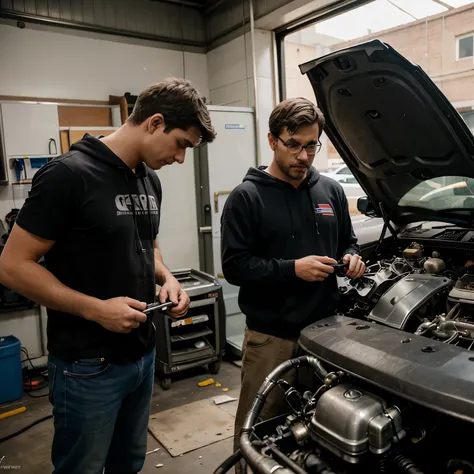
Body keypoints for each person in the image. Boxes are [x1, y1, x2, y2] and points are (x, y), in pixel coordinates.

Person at [0, 78, 216, 474]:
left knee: (128, 464)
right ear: (154, 123)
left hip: (141, 356)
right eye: (182, 144)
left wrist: (166, 278)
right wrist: (96, 309)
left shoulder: (149, 179)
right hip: (87, 365)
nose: (182, 159)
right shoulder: (67, 175)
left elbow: (147, 246)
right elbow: (12, 267)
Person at [220, 97, 365, 472]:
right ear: (272, 140)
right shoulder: (246, 198)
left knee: (313, 429)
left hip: (326, 336)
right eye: (294, 144)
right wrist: (290, 269)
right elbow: (234, 267)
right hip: (273, 339)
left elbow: (347, 240)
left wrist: (351, 257)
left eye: (312, 145)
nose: (304, 155)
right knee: (258, 433)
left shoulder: (330, 191)